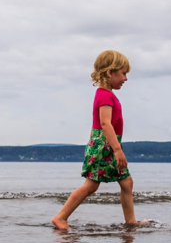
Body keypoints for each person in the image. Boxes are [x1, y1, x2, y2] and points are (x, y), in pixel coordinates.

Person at [52, 50, 146, 229]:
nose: (125, 78)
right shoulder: (104, 95)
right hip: (106, 145)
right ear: (110, 72)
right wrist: (117, 150)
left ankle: (131, 222)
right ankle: (61, 217)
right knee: (91, 185)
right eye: (123, 73)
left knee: (126, 182)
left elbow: (97, 126)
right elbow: (105, 123)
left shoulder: (106, 94)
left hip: (106, 144)